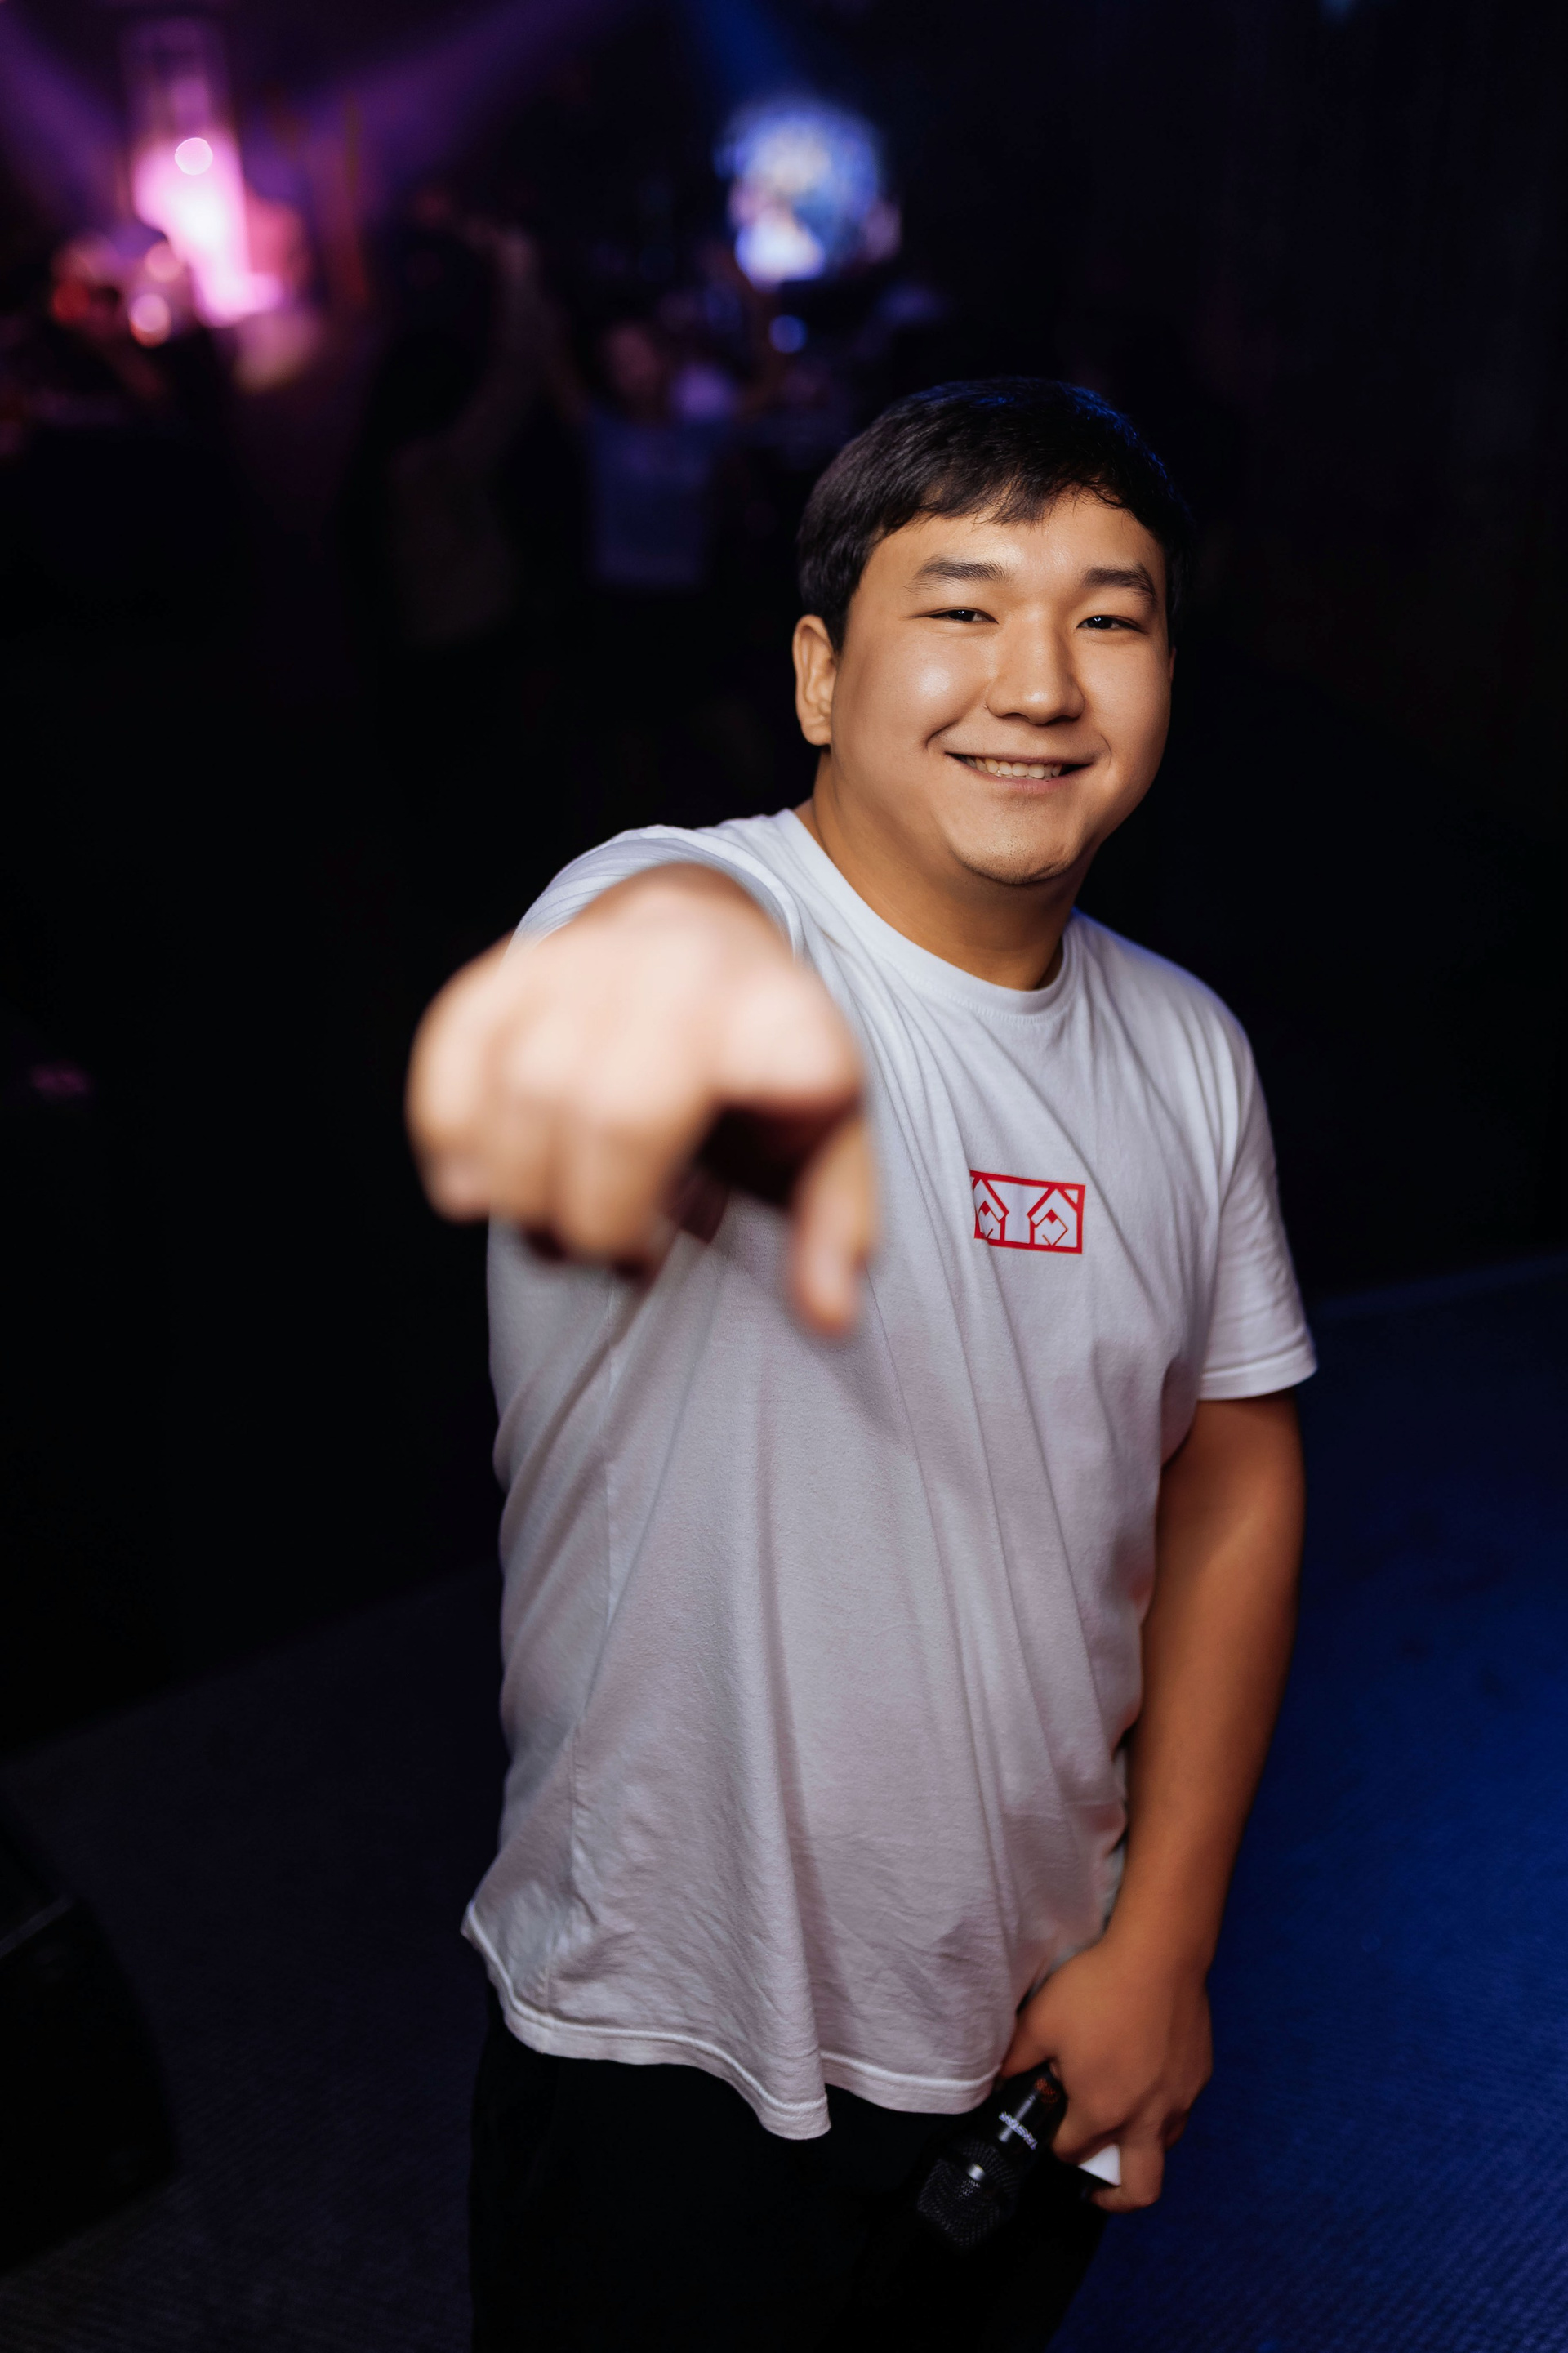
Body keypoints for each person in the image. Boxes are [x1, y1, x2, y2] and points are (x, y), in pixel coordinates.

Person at [407, 378, 1315, 2351]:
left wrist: (1164, 1938)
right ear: (821, 674)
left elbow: (1234, 1464)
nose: (1039, 683)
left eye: (1108, 618)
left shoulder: (1189, 1054)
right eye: (962, 608)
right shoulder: (681, 899)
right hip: (658, 2037)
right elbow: (654, 958)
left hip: (1027, 2027)